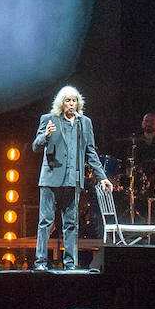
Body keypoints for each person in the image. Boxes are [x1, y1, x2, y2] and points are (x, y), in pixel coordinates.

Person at [31, 86, 113, 270]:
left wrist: (102, 177)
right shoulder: (49, 119)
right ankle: (40, 263)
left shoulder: (84, 123)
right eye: (67, 100)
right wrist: (45, 136)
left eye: (74, 100)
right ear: (61, 102)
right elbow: (35, 147)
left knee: (71, 223)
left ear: (78, 103)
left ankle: (70, 264)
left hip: (72, 180)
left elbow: (91, 151)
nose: (71, 104)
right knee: (46, 222)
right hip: (51, 178)